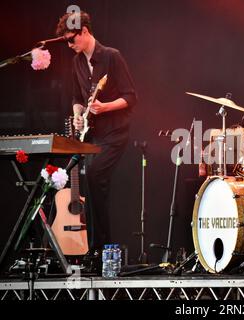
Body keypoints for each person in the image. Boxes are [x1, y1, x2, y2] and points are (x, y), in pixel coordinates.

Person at [56, 11, 137, 252]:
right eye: (66, 41)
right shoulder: (77, 61)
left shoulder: (112, 56)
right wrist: (78, 116)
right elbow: (77, 97)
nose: (69, 45)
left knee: (93, 175)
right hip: (92, 134)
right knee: (69, 179)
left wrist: (105, 107)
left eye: (72, 39)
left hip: (115, 132)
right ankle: (85, 245)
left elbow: (130, 97)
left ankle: (101, 246)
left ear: (85, 32)